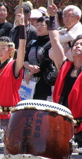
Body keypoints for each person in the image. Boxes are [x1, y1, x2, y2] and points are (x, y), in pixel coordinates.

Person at [48, 3, 82, 151]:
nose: (78, 46)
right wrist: (51, 17)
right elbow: (55, 40)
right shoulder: (65, 66)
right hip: (62, 122)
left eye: (81, 45)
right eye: (75, 45)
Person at [24, 16, 54, 100]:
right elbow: (25, 60)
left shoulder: (51, 43)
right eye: (37, 25)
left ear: (49, 27)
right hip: (29, 81)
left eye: (42, 25)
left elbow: (46, 62)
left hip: (43, 82)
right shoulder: (32, 42)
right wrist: (29, 67)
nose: (39, 27)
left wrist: (30, 73)